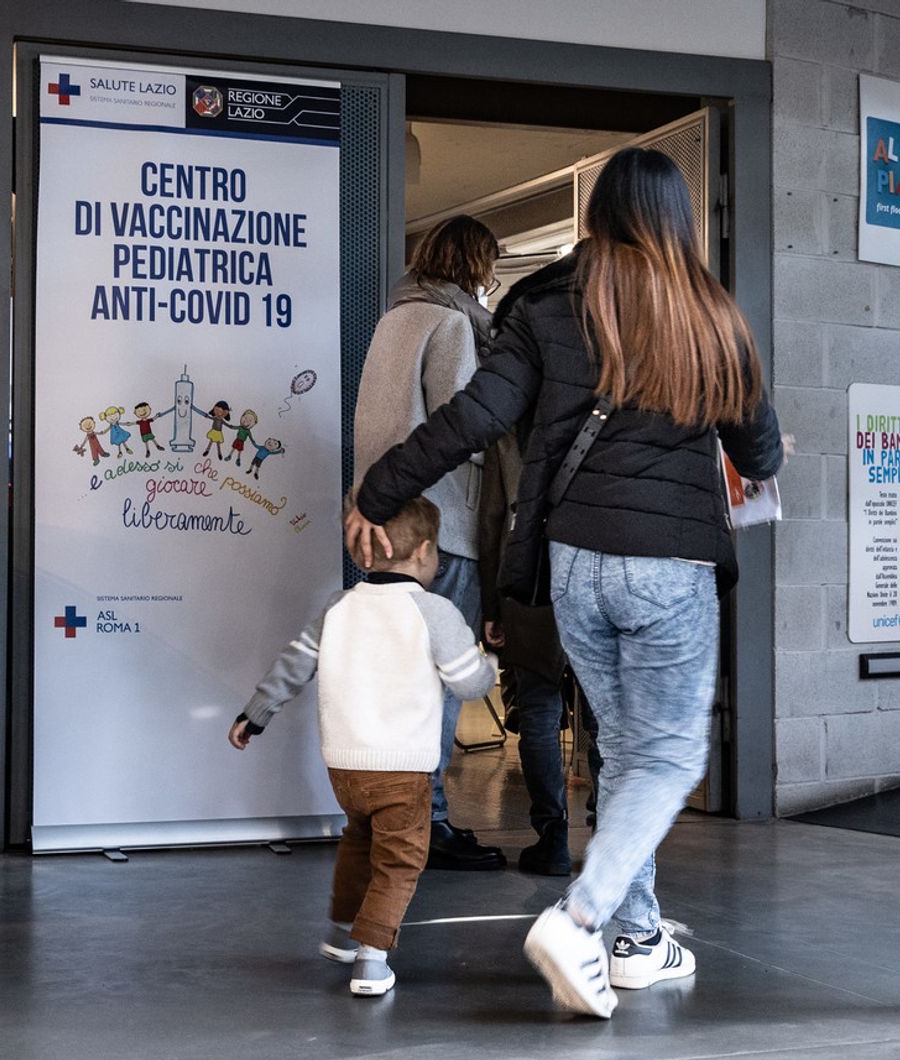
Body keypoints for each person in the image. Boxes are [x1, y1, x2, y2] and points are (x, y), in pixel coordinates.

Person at [345, 147, 784, 1019]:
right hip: (670, 569)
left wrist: (376, 492)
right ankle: (581, 918)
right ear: (679, 217)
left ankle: (637, 936)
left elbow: (473, 417)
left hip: (575, 561)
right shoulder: (713, 315)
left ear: (596, 216)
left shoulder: (549, 305)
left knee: (626, 750)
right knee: (666, 754)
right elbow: (760, 452)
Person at [228, 497, 497, 998]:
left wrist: (254, 713)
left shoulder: (338, 606)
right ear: (423, 551)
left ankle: (339, 936)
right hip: (401, 769)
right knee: (399, 859)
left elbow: (294, 664)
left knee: (358, 842)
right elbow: (467, 683)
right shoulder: (433, 610)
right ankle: (373, 960)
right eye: (437, 552)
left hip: (345, 768)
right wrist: (490, 668)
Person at [352, 214, 505, 872]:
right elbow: (461, 427)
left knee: (394, 677)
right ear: (476, 263)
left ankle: (391, 818)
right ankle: (431, 823)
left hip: (382, 516)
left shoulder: (394, 319)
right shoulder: (452, 325)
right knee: (437, 678)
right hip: (438, 527)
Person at [474, 282, 574, 877]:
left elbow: (491, 520)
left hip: (529, 574)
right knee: (609, 719)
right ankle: (614, 846)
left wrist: (492, 603)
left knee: (537, 710)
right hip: (598, 568)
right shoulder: (597, 398)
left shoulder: (508, 417)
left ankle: (552, 838)